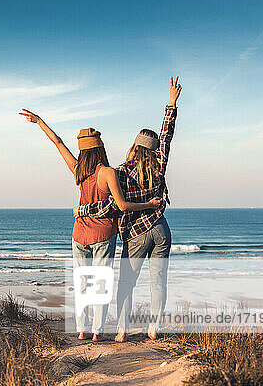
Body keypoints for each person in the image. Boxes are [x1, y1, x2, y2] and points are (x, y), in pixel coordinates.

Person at [19, 109, 162, 341]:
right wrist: (149, 203)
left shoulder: (78, 171)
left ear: (83, 152)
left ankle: (82, 329)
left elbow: (58, 143)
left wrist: (40, 122)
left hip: (79, 234)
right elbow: (123, 206)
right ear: (101, 149)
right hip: (103, 234)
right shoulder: (108, 173)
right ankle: (97, 332)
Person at [74, 76, 182, 342]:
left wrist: (84, 211)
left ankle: (122, 330)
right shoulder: (159, 163)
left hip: (135, 234)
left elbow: (112, 206)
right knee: (159, 282)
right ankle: (154, 327)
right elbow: (167, 134)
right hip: (160, 228)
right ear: (154, 150)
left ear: (134, 146)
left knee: (126, 283)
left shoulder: (120, 172)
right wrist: (171, 103)